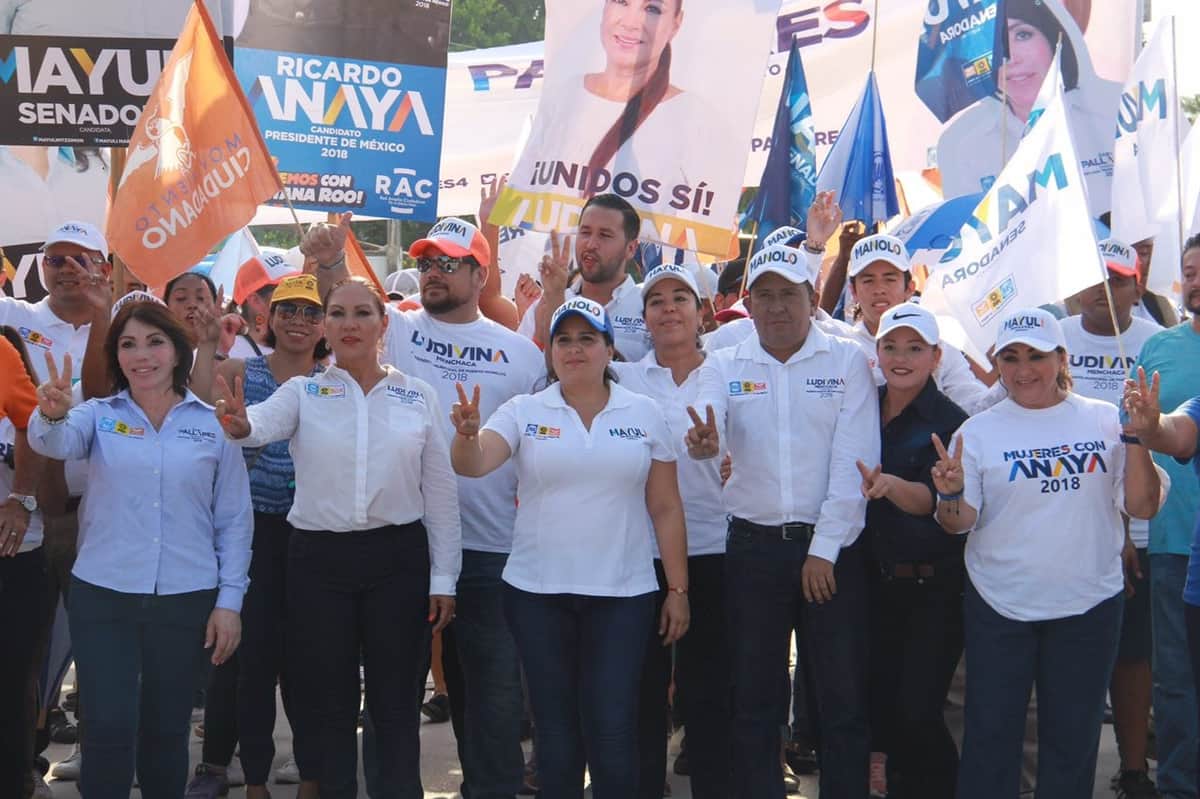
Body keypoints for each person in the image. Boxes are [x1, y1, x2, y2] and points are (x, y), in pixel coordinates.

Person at [214, 276, 461, 799]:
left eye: (362, 313)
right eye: (339, 314)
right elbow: (258, 424)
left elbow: (439, 493)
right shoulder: (305, 391)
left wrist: (444, 577)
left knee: (395, 703)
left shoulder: (416, 396)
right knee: (328, 699)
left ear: (383, 324)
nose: (350, 324)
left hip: (397, 560)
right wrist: (239, 425)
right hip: (318, 565)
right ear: (326, 326)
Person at [449, 297, 689, 799]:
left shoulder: (644, 414)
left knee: (612, 728)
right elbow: (473, 464)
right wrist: (467, 437)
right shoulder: (524, 410)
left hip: (624, 595)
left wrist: (678, 589)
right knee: (555, 734)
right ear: (551, 351)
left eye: (587, 338)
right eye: (564, 339)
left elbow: (666, 508)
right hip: (537, 594)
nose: (574, 349)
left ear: (608, 350)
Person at [932, 307, 1162, 799]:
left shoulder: (1105, 419)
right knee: (991, 739)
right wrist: (950, 495)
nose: (1022, 369)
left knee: (1071, 744)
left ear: (1061, 358)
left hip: (1089, 608)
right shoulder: (977, 431)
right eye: (1010, 357)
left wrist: (1138, 435)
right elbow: (958, 524)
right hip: (1000, 607)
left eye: (1035, 355)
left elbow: (1143, 504)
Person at [27, 300, 252, 799]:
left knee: (166, 730)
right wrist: (51, 414)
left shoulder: (213, 424)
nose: (141, 355)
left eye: (154, 341)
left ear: (177, 351)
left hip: (186, 597)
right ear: (116, 357)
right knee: (105, 729)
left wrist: (229, 603)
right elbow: (53, 442)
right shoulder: (96, 415)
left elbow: (234, 519)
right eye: (128, 344)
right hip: (104, 596)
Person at [686, 243, 880, 798]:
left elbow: (855, 462)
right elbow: (707, 423)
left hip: (833, 554)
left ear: (812, 298)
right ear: (748, 302)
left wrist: (823, 549)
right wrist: (705, 443)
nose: (775, 307)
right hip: (753, 552)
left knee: (842, 702)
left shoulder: (847, 361)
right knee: (754, 702)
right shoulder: (724, 364)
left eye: (787, 295)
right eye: (763, 295)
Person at [376, 217, 544, 799]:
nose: (432, 273)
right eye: (426, 263)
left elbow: (540, 445)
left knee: (494, 693)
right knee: (396, 689)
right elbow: (340, 311)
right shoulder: (394, 330)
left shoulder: (522, 356)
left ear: (480, 274)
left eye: (449, 263)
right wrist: (326, 263)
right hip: (404, 541)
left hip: (491, 547)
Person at [186, 274, 328, 799]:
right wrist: (204, 345)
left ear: (324, 326)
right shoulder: (240, 370)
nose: (298, 320)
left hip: (313, 536)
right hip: (249, 534)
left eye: (311, 312)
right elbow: (197, 403)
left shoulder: (333, 381)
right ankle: (245, 776)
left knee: (308, 661)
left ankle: (313, 771)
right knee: (245, 659)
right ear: (268, 317)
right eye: (288, 309)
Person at [0, 220, 112, 784]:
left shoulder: (120, 324)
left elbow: (104, 393)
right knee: (30, 648)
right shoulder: (15, 318)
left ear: (104, 267)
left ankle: (95, 747)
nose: (65, 268)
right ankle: (27, 757)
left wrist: (101, 315)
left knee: (93, 637)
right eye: (54, 258)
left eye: (79, 258)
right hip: (35, 512)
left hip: (100, 510)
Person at [613, 264, 730, 799]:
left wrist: (717, 452)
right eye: (656, 300)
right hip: (643, 554)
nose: (668, 308)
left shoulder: (731, 372)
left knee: (710, 690)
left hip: (717, 550)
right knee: (641, 687)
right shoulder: (626, 378)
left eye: (680, 297)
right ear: (644, 320)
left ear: (701, 312)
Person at [1060, 238, 1163, 798]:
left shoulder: (1156, 343)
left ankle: (1132, 769)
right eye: (1094, 279)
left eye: (1118, 280)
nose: (1104, 291)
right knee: (1071, 664)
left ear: (1137, 286)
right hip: (1065, 531)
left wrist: (1126, 525)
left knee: (1133, 658)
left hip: (1144, 530)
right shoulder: (1049, 341)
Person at [853, 303, 968, 799]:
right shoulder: (856, 405)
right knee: (875, 708)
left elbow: (932, 503)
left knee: (918, 711)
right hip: (866, 584)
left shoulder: (952, 422)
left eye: (915, 348)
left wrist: (890, 485)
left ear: (936, 356)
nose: (901, 357)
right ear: (876, 352)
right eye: (891, 346)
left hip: (933, 590)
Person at [936, 0, 1120, 215]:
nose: (1010, 58)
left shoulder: (1116, 109)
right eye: (992, 43)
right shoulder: (959, 143)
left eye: (1022, 35)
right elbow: (967, 236)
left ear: (1055, 38)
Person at [1130, 234, 1200, 799]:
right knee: (1176, 684)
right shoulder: (1158, 349)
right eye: (1190, 271)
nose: (1195, 279)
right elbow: (1162, 431)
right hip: (1177, 544)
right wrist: (1150, 426)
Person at [842, 233, 991, 412]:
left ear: (910, 288)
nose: (879, 289)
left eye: (890, 279)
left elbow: (974, 404)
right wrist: (814, 249)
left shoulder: (939, 341)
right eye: (868, 280)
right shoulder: (842, 345)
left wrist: (1007, 385)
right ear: (853, 291)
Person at [0, 329, 47, 799]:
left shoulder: (1, 353)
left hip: (12, 556)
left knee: (10, 685)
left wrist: (20, 498)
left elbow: (31, 421)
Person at [522, 193, 652, 360]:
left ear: (631, 249)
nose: (590, 244)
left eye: (605, 235)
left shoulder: (649, 308)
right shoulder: (545, 306)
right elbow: (525, 374)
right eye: (585, 232)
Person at [228, 252, 299, 360]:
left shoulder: (306, 347)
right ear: (255, 300)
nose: (298, 294)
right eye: (286, 289)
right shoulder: (231, 352)